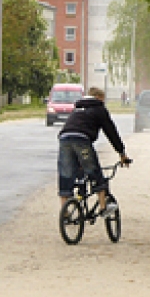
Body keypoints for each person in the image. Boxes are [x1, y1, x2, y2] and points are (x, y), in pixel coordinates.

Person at [58, 86, 131, 215]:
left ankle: (64, 210)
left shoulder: (77, 108)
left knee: (66, 172)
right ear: (98, 98)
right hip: (82, 140)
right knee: (94, 171)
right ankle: (103, 207)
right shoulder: (99, 109)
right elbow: (111, 132)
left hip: (64, 139)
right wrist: (121, 152)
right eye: (103, 100)